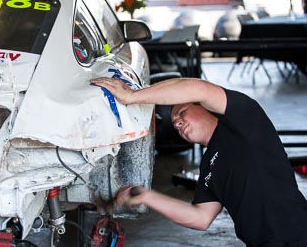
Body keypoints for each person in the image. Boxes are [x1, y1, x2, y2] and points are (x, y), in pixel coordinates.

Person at [90, 77, 307, 247]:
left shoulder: (243, 120)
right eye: (175, 125)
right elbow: (200, 217)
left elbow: (199, 88)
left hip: (297, 235)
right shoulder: (209, 167)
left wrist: (132, 96)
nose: (177, 123)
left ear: (204, 106)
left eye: (182, 112)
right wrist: (148, 196)